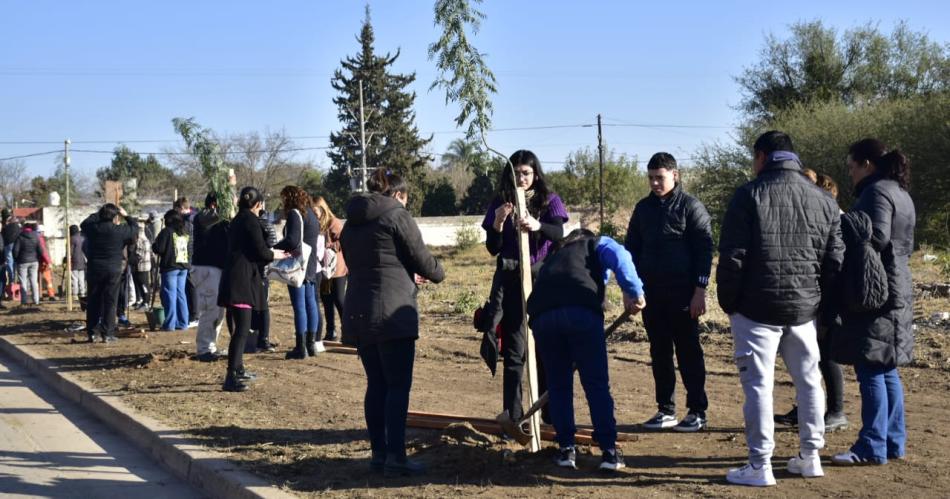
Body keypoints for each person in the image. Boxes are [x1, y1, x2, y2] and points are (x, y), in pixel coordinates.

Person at [717, 131, 844, 486]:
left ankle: (760, 465)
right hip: (805, 309)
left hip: (756, 309)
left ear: (761, 156)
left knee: (759, 386)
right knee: (808, 381)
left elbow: (733, 257)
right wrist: (822, 306)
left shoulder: (748, 195)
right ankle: (811, 455)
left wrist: (730, 302)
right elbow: (834, 261)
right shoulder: (824, 200)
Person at [341, 168, 444, 476]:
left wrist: (404, 272)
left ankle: (379, 454)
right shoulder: (397, 215)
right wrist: (438, 272)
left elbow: (373, 262)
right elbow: (422, 259)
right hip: (392, 311)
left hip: (359, 309)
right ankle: (397, 457)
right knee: (398, 386)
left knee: (377, 384)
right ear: (399, 194)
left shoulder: (351, 223)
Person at [527, 229, 645, 471]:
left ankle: (566, 450)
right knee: (595, 383)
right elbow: (621, 257)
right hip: (580, 313)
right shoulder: (597, 243)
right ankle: (610, 452)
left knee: (558, 385)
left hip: (542, 318)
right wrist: (635, 292)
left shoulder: (554, 256)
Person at [830, 139, 916, 466]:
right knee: (886, 366)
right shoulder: (900, 192)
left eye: (851, 166)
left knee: (870, 367)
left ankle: (871, 446)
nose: (849, 174)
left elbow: (876, 236)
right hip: (898, 283)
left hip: (876, 289)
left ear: (866, 164)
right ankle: (893, 441)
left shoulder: (876, 193)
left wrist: (844, 221)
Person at [624, 152, 712, 432]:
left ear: (675, 175)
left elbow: (704, 250)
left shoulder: (691, 207)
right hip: (651, 295)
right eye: (650, 178)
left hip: (684, 295)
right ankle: (666, 410)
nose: (654, 183)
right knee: (659, 352)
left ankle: (697, 410)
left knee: (688, 352)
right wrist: (630, 289)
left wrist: (700, 290)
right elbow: (631, 251)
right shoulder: (643, 209)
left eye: (659, 177)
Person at [480, 150, 568, 427]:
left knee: (545, 347)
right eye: (516, 172)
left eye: (526, 172)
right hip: (511, 280)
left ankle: (549, 415)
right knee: (516, 350)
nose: (521, 178)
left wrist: (537, 224)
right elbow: (493, 248)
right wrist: (497, 223)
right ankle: (514, 414)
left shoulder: (549, 201)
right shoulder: (500, 202)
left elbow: (558, 233)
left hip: (543, 279)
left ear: (536, 174)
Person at [776, 173, 849, 432]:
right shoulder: (823, 215)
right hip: (812, 295)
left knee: (826, 356)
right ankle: (808, 407)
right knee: (809, 358)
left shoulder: (836, 218)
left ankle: (836, 410)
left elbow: (834, 263)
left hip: (828, 297)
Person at [218, 187, 285, 392]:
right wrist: (278, 255)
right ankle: (231, 376)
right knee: (241, 331)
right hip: (241, 280)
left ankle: (238, 369)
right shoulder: (251, 221)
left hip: (234, 276)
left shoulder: (238, 219)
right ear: (257, 205)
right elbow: (260, 251)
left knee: (241, 329)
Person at [274, 186, 325, 359]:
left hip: (298, 264)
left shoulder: (295, 214)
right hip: (310, 264)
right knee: (311, 303)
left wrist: (273, 248)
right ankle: (311, 345)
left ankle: (300, 347)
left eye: (284, 198)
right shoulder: (311, 214)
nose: (283, 202)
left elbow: (292, 240)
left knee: (299, 306)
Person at [81, 203, 138, 342]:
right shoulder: (119, 230)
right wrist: (126, 215)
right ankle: (108, 333)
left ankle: (93, 332)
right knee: (110, 301)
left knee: (94, 300)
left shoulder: (93, 228)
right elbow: (135, 228)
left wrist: (98, 213)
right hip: (113, 269)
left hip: (95, 267)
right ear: (115, 216)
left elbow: (84, 223)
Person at [192, 192, 230, 362]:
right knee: (210, 309)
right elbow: (211, 218)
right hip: (206, 268)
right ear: (214, 204)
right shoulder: (203, 217)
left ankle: (210, 346)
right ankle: (204, 349)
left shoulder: (222, 221)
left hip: (217, 268)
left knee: (218, 310)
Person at [313, 195, 348, 342]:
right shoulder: (316, 224)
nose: (313, 214)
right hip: (323, 269)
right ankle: (330, 331)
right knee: (326, 300)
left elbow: (344, 240)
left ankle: (348, 330)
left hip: (337, 269)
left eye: (315, 211)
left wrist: (329, 246)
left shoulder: (334, 223)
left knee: (339, 300)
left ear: (322, 209)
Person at [153, 209, 190, 331]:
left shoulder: (167, 231)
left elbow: (159, 248)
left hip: (170, 267)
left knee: (170, 295)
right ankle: (183, 322)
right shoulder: (184, 231)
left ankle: (169, 324)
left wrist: (155, 244)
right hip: (183, 267)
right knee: (181, 294)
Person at [250, 207, 279, 353]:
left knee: (258, 306)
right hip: (263, 271)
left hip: (256, 270)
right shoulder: (268, 225)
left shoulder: (255, 224)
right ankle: (262, 338)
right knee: (262, 306)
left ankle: (259, 337)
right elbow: (273, 244)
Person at [12, 222, 41, 305]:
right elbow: (40, 250)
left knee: (23, 281)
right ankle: (36, 300)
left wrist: (16, 259)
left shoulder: (20, 237)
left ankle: (24, 301)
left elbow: (15, 250)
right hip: (34, 261)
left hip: (22, 262)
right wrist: (37, 258)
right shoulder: (36, 236)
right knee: (34, 281)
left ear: (23, 228)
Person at [1, 213, 21, 306]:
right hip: (16, 245)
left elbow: (2, 237)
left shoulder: (5, 227)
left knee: (9, 262)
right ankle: (15, 281)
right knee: (15, 263)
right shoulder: (18, 227)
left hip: (7, 245)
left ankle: (11, 280)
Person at [131, 221, 151, 309]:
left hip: (141, 266)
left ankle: (146, 302)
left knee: (143, 285)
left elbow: (138, 255)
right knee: (140, 284)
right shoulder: (146, 239)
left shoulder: (140, 240)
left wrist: (131, 260)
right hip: (144, 266)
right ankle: (142, 301)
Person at [35, 225, 56, 300]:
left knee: (38, 279)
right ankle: (51, 295)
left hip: (37, 261)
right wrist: (49, 262)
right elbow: (44, 252)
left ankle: (39, 295)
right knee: (48, 279)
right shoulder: (42, 240)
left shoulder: (35, 239)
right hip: (44, 262)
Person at [69, 225, 87, 300]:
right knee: (81, 278)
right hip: (82, 261)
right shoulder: (83, 238)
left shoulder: (72, 239)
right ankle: (82, 293)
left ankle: (75, 294)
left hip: (74, 261)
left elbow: (70, 252)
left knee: (75, 279)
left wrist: (67, 259)